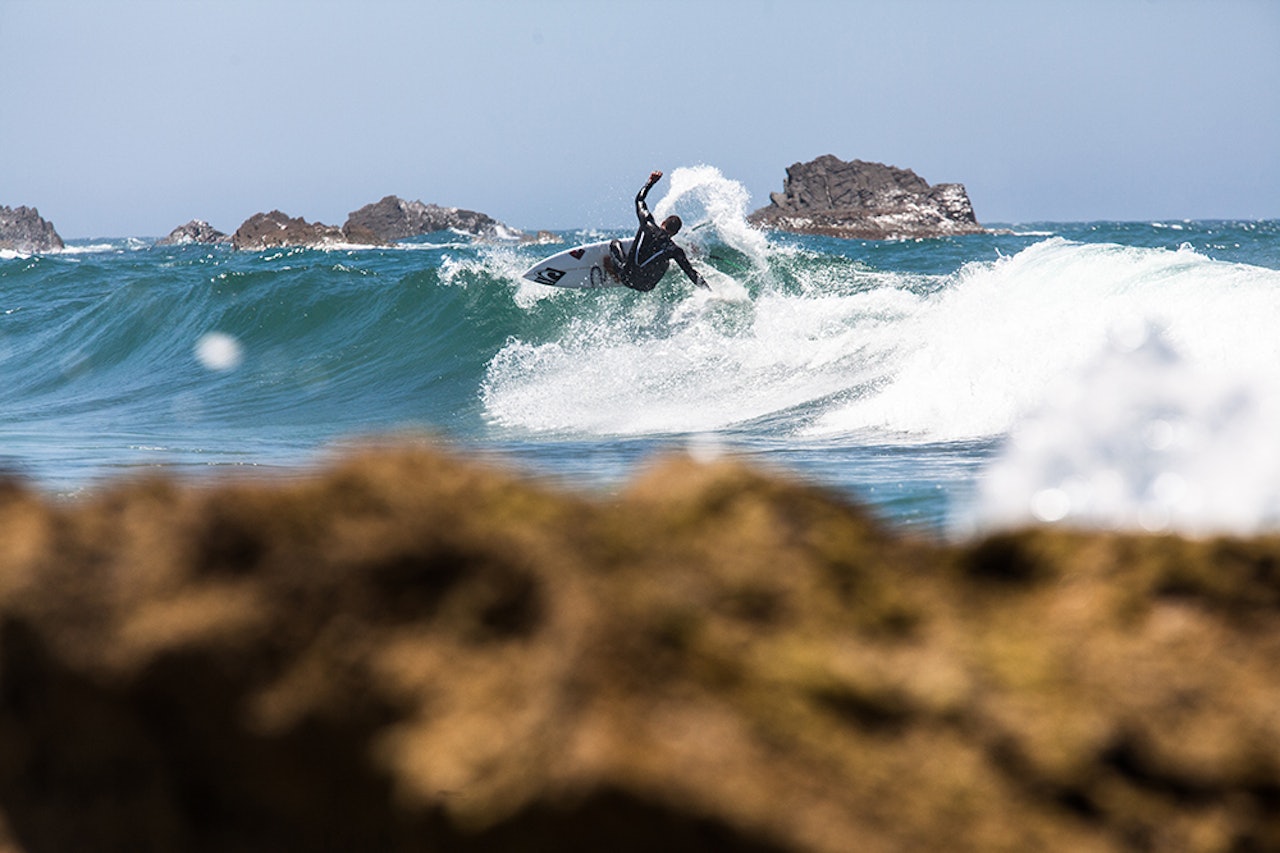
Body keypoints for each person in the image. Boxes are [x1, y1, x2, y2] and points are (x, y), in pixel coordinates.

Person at [606, 170, 709, 292]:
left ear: (663, 223)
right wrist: (710, 292)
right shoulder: (674, 249)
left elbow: (639, 200)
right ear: (675, 233)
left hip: (625, 277)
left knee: (614, 244)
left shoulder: (647, 223)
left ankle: (619, 267)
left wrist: (650, 182)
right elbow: (692, 273)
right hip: (645, 286)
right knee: (666, 262)